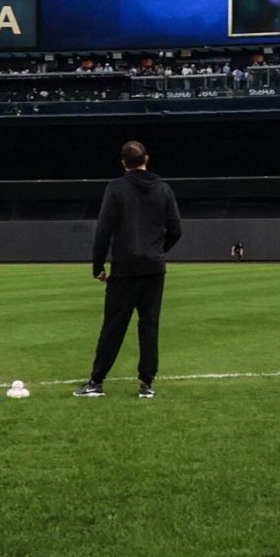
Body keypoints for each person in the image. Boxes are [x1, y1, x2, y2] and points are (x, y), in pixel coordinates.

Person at [74, 141, 182, 400]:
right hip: (154, 268)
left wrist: (98, 266)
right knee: (149, 324)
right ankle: (147, 384)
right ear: (147, 158)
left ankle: (96, 382)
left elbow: (104, 230)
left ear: (123, 163)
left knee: (113, 325)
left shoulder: (116, 188)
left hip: (125, 266)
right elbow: (176, 230)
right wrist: (157, 250)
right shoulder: (164, 189)